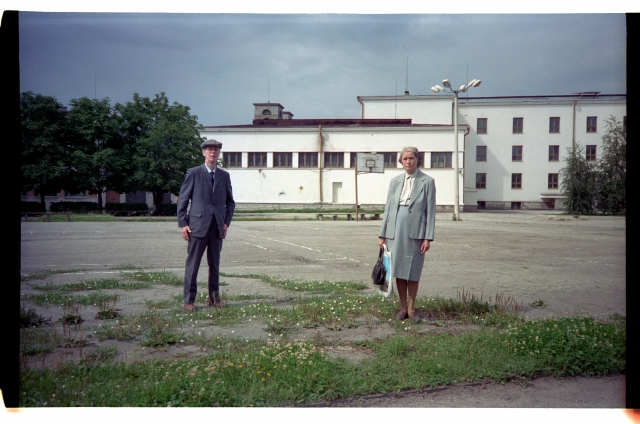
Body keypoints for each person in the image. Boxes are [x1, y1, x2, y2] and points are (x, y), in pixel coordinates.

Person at [378, 146, 436, 320]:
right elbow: (388, 209)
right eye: (405, 159)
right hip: (395, 230)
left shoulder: (428, 181)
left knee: (413, 271)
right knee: (399, 270)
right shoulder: (395, 181)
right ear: (401, 162)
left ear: (418, 159)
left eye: (411, 158)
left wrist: (428, 237)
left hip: (417, 230)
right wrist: (382, 235)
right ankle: (402, 308)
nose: (408, 161)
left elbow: (431, 211)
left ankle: (412, 308)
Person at [178, 139, 235, 312]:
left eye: (216, 149)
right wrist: (183, 223)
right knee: (193, 264)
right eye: (209, 149)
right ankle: (189, 300)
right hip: (196, 226)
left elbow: (230, 203)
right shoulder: (194, 173)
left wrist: (226, 223)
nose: (213, 152)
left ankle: (214, 298)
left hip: (217, 227)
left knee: (215, 265)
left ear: (218, 153)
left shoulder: (224, 176)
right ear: (203, 152)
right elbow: (183, 199)